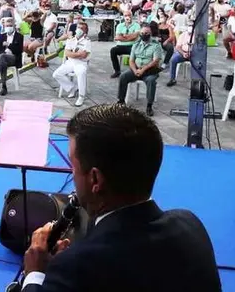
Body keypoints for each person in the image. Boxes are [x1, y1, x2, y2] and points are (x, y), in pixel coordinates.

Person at [20, 104, 221, 292]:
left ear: (95, 179)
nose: (72, 174)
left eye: (73, 165)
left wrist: (35, 273)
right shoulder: (190, 225)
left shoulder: (75, 267)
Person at [115, 26, 162, 116]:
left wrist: (143, 70)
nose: (144, 35)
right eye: (142, 33)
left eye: (146, 33)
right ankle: (121, 101)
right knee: (123, 76)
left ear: (150, 34)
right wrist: (135, 70)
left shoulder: (156, 45)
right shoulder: (136, 45)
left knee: (151, 81)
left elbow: (155, 61)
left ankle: (149, 105)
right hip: (136, 69)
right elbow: (131, 61)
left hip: (150, 70)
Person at [52, 21, 91, 106]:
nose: (79, 30)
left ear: (85, 31)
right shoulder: (71, 39)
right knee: (56, 74)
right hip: (70, 62)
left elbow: (84, 55)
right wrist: (77, 54)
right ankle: (72, 87)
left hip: (81, 63)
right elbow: (67, 53)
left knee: (81, 73)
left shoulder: (87, 41)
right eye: (78, 28)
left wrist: (73, 54)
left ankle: (81, 96)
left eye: (81, 28)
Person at [109, 11, 140, 78]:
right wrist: (129, 37)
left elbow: (135, 36)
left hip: (132, 46)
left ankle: (135, 71)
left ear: (132, 16)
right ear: (123, 16)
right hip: (120, 46)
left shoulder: (137, 25)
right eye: (125, 15)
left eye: (129, 15)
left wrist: (123, 37)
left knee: (136, 52)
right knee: (113, 50)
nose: (127, 17)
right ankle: (117, 71)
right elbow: (118, 37)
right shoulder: (120, 25)